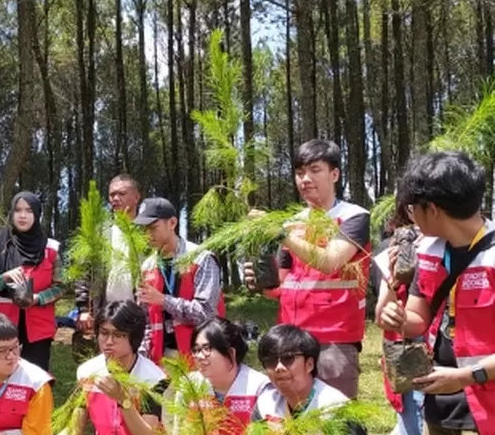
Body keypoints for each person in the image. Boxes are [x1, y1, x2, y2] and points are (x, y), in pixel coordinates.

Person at [379, 151, 495, 435]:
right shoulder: (429, 251)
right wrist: (397, 316)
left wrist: (465, 376)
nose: (409, 217)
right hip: (438, 410)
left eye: (412, 208)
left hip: (486, 414)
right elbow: (417, 317)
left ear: (433, 209)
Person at [244, 139, 370, 399]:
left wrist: (281, 234)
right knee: (296, 419)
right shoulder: (292, 224)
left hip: (334, 339)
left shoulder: (353, 217)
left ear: (334, 174)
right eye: (300, 173)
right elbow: (280, 286)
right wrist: (260, 281)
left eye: (315, 170)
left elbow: (330, 261)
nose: (305, 179)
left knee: (338, 421)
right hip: (291, 338)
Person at [36, 300, 167, 435]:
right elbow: (74, 431)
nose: (109, 341)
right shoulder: (88, 372)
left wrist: (123, 400)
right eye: (104, 333)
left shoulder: (153, 378)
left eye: (118, 335)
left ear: (134, 339)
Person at [241, 325, 380, 435]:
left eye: (288, 358)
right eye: (271, 361)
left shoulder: (338, 411)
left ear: (309, 364)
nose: (279, 367)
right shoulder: (265, 405)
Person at [172, 317, 269, 435]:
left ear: (231, 353)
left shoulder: (259, 387)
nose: (199, 356)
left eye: (207, 349)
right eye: (195, 350)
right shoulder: (190, 384)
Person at [0, 192, 64, 372]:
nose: (23, 215)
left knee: (35, 378)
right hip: (0, 325)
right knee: (0, 378)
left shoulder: (50, 249)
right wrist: (3, 278)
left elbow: (61, 287)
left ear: (37, 214)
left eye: (29, 210)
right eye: (18, 210)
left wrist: (38, 298)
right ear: (11, 213)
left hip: (37, 327)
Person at [134, 197, 223, 363]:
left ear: (172, 223)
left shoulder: (201, 258)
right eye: (144, 229)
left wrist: (163, 300)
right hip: (161, 358)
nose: (148, 235)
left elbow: (205, 313)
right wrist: (143, 356)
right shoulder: (147, 266)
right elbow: (146, 320)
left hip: (202, 356)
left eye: (153, 228)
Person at [373, 210, 425, 435]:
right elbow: (381, 315)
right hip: (405, 360)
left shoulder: (449, 248)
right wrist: (392, 279)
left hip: (445, 361)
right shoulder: (392, 254)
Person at [74, 174, 142, 360]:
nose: (115, 199)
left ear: (136, 197)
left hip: (138, 314)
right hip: (105, 313)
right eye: (112, 195)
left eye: (121, 193)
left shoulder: (147, 233)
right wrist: (83, 309)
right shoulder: (99, 232)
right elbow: (83, 272)